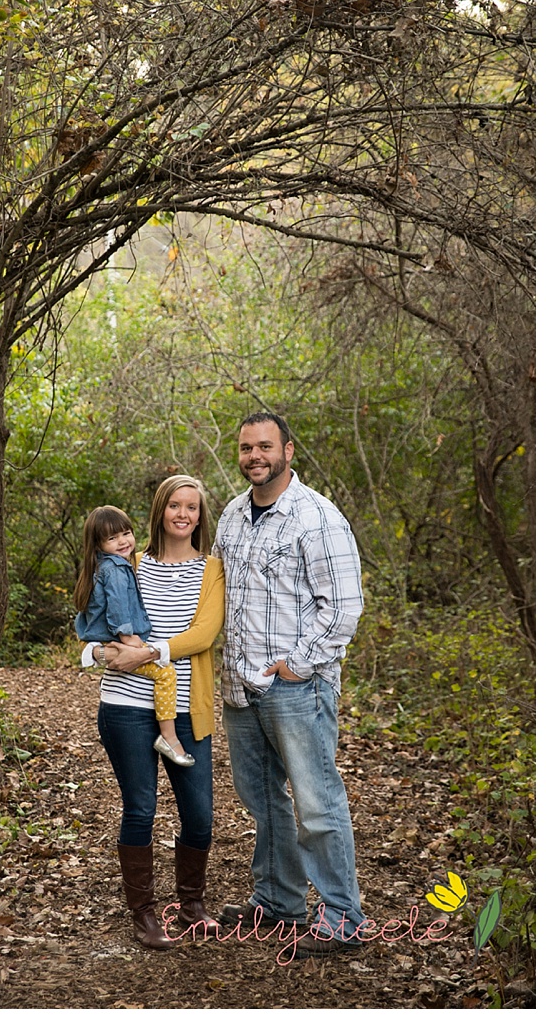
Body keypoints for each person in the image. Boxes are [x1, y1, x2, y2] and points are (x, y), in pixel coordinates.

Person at [212, 411, 366, 959]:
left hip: (297, 688)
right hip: (240, 686)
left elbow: (344, 608)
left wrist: (298, 664)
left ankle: (343, 919)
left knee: (317, 802)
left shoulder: (316, 517)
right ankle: (279, 902)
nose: (255, 456)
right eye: (246, 447)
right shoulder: (231, 515)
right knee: (263, 801)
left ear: (288, 451)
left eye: (265, 447)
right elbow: (215, 596)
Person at [80, 476, 225, 950]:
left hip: (186, 710)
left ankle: (192, 904)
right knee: (140, 809)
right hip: (125, 706)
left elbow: (203, 636)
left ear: (200, 517)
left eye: (193, 507)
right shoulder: (130, 561)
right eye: (175, 505)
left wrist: (145, 654)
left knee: (199, 815)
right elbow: (91, 620)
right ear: (161, 510)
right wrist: (99, 656)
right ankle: (143, 913)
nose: (183, 514)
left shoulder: (212, 570)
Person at [74, 505, 194, 766]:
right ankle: (169, 737)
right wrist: (128, 638)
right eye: (112, 538)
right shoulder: (115, 569)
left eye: (126, 533)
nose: (122, 541)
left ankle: (168, 736)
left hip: (109, 641)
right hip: (119, 640)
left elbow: (84, 618)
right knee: (165, 674)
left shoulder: (101, 567)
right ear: (98, 543)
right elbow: (118, 606)